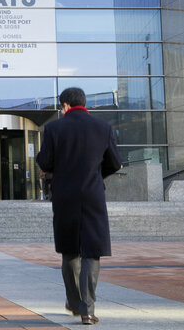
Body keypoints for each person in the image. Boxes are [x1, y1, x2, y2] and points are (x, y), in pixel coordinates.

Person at [35, 87, 123, 325]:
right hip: (93, 196)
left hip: (65, 196)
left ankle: (74, 302)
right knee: (91, 253)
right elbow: (115, 163)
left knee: (70, 251)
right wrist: (95, 175)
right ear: (84, 104)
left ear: (64, 106)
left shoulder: (54, 128)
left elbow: (45, 161)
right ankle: (87, 309)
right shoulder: (103, 128)